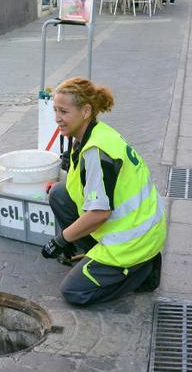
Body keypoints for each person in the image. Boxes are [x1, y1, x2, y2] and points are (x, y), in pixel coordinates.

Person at [41, 77, 166, 306]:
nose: (57, 118)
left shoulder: (97, 152)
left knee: (74, 292)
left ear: (86, 111)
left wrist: (61, 240)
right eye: (55, 110)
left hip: (133, 241)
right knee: (59, 194)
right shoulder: (92, 132)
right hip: (133, 228)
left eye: (64, 112)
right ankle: (105, 261)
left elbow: (99, 214)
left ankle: (141, 272)